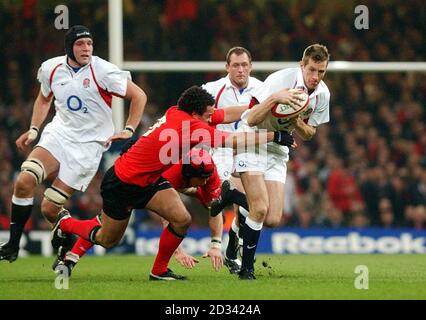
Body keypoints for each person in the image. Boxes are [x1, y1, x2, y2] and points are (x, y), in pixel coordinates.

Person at [50, 85, 298, 280]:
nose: (212, 117)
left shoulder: (178, 113)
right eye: (208, 115)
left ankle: (159, 270)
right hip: (123, 183)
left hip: (149, 180)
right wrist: (275, 135)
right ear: (195, 114)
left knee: (182, 219)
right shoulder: (192, 127)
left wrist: (262, 106)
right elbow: (233, 140)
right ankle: (66, 223)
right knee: (107, 239)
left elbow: (226, 114)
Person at [0, 25, 147, 262]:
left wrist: (128, 129)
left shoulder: (103, 71)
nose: (86, 48)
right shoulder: (51, 68)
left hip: (88, 145)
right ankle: (13, 245)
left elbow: (139, 95)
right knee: (25, 180)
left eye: (89, 43)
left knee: (49, 208)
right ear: (69, 47)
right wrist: (34, 129)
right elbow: (43, 98)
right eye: (80, 44)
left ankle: (65, 233)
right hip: (60, 133)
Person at [234, 44, 331, 279]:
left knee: (273, 218)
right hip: (253, 141)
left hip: (279, 148)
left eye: (321, 72)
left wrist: (297, 121)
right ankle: (246, 268)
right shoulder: (280, 80)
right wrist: (275, 98)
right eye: (312, 70)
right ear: (302, 65)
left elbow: (309, 134)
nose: (315, 77)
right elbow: (251, 118)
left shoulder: (322, 95)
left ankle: (233, 201)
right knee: (259, 208)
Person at [201, 46, 263, 274]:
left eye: (244, 65)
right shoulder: (212, 89)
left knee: (247, 207)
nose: (240, 69)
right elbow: (196, 114)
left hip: (250, 149)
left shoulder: (261, 89)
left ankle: (231, 248)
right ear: (227, 67)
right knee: (240, 199)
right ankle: (231, 250)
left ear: (251, 66)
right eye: (235, 65)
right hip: (223, 149)